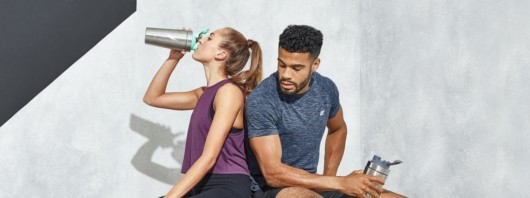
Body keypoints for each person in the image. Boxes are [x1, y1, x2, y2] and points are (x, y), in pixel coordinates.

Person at [245, 25, 405, 198]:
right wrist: (340, 183)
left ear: (315, 65)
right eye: (281, 64)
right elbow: (273, 174)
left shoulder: (326, 89)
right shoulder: (262, 99)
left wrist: (330, 178)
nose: (286, 74)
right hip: (270, 189)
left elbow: (338, 129)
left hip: (314, 183)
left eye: (296, 68)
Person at [144, 27, 262, 198]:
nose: (200, 39)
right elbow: (152, 98)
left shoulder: (229, 93)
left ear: (221, 54)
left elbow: (209, 157)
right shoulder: (202, 94)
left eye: (210, 38)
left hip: (227, 186)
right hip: (201, 186)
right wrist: (174, 57)